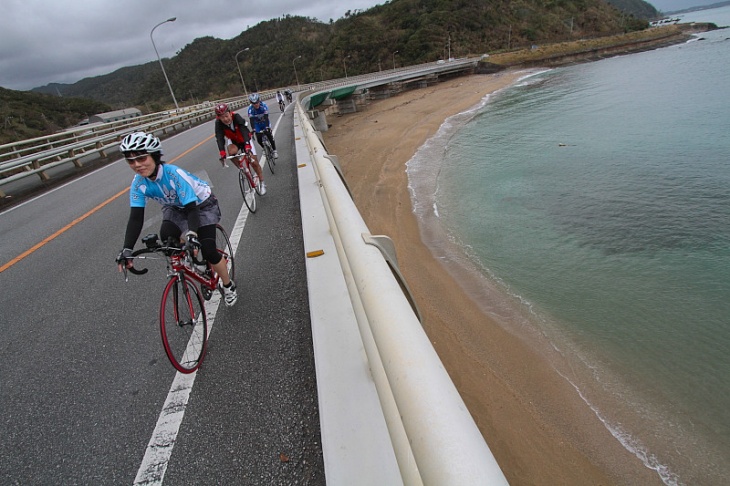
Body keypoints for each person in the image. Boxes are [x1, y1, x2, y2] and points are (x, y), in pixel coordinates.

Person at [115, 131, 238, 306]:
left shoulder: (173, 175)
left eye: (142, 158)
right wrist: (127, 249)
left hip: (200, 205)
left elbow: (192, 209)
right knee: (167, 239)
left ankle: (228, 286)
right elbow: (136, 218)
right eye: (131, 161)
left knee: (209, 250)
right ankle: (195, 262)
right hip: (175, 207)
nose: (137, 165)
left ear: (154, 156)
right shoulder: (138, 183)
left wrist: (192, 234)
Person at [214, 102, 266, 195]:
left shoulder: (236, 117)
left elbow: (244, 131)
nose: (225, 119)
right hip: (234, 140)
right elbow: (219, 138)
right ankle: (242, 169)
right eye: (222, 117)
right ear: (218, 118)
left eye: (226, 116)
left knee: (254, 163)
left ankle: (262, 182)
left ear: (230, 113)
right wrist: (222, 153)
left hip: (245, 138)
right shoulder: (218, 123)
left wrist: (247, 146)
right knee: (231, 152)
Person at [247, 93, 278, 159]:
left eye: (257, 102)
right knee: (258, 138)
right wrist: (253, 129)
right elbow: (251, 120)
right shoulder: (250, 109)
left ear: (259, 101)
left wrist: (267, 127)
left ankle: (275, 151)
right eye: (254, 103)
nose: (256, 104)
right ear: (251, 103)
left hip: (264, 122)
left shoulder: (263, 106)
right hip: (257, 124)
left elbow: (266, 117)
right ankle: (264, 148)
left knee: (269, 135)